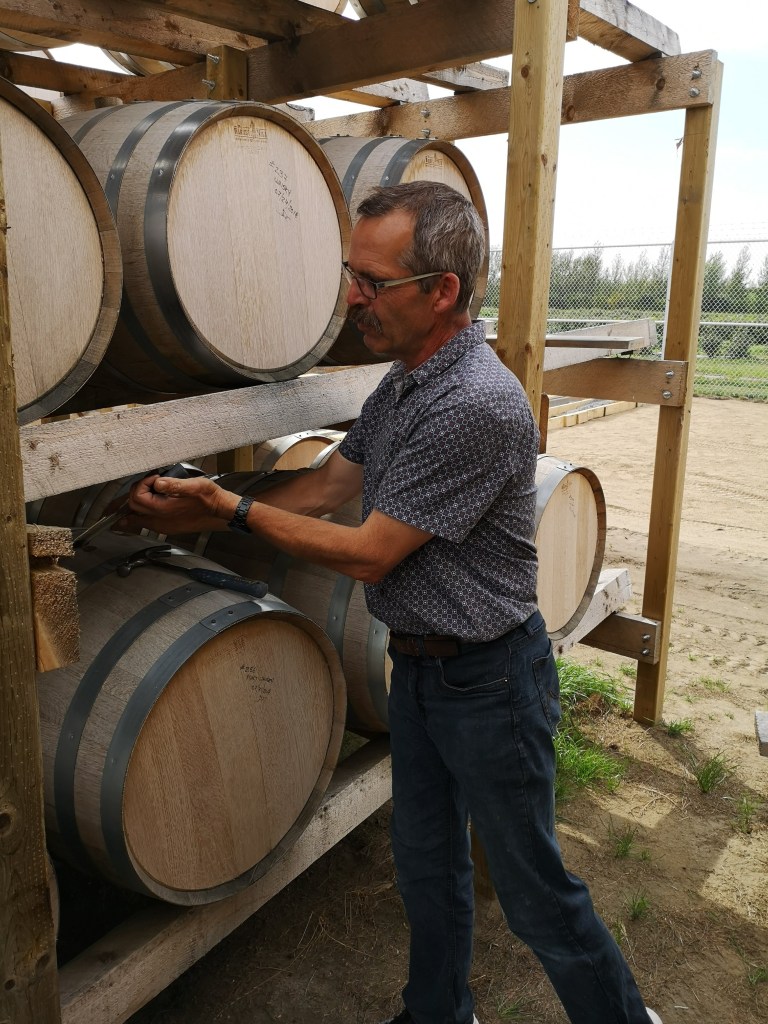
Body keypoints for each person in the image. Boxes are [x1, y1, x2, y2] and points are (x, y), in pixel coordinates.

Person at [122, 181, 662, 1024]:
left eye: (373, 282)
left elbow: (371, 550)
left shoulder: (475, 402)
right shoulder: (406, 384)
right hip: (418, 673)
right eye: (353, 275)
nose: (352, 298)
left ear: (442, 291)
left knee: (535, 896)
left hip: (490, 684)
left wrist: (226, 510)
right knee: (427, 870)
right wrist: (199, 504)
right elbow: (325, 487)